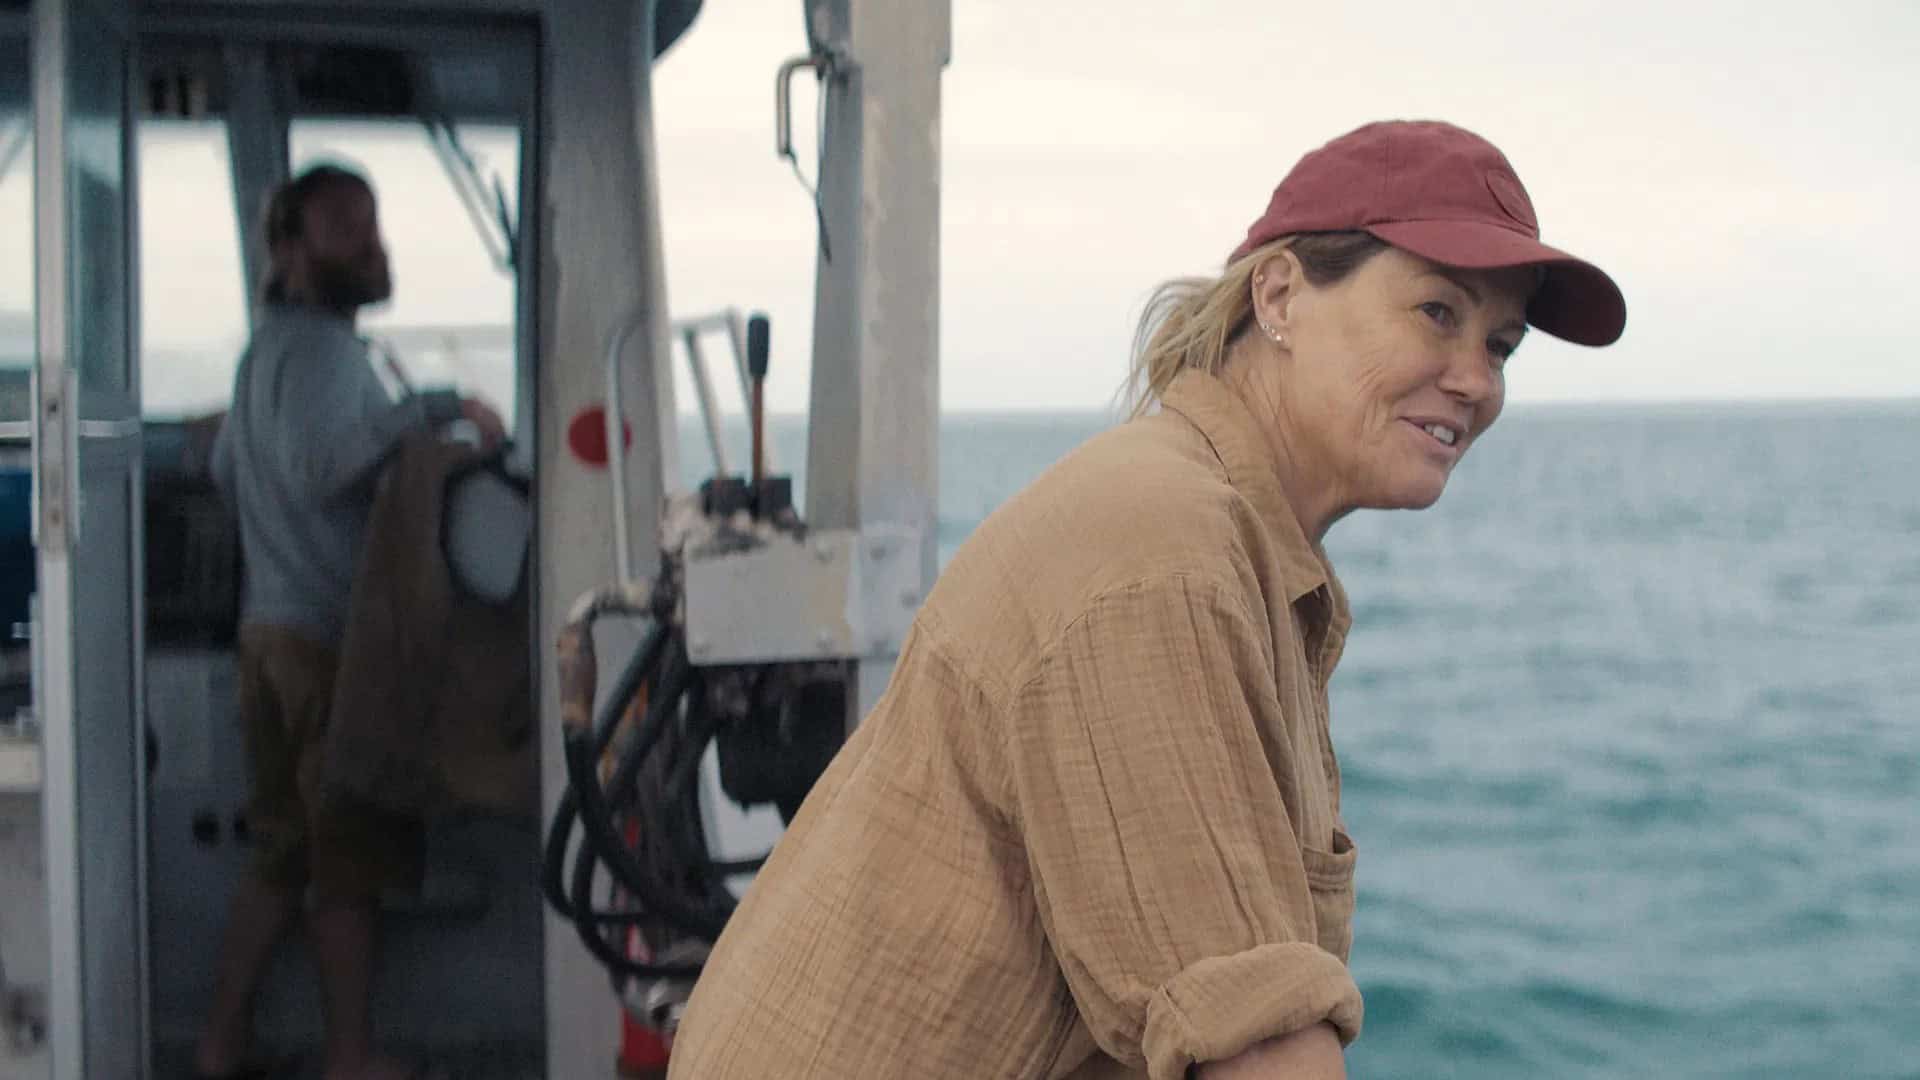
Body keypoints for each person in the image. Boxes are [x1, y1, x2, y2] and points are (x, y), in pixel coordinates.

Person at [665, 120, 1626, 1079]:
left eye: (1501, 346)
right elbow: (1259, 1049)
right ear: (1279, 295)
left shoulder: (1232, 544)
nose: (1477, 380)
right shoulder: (1160, 552)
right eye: (1437, 312)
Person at [194, 163, 505, 1080]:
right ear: (290, 248)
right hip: (325, 645)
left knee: (283, 855)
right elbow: (327, 465)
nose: (370, 245)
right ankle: (350, 1056)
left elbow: (225, 471)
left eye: (371, 224)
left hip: (266, 634)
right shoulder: (324, 354)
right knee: (348, 856)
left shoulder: (266, 352)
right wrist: (438, 410)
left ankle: (218, 1042)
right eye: (343, 227)